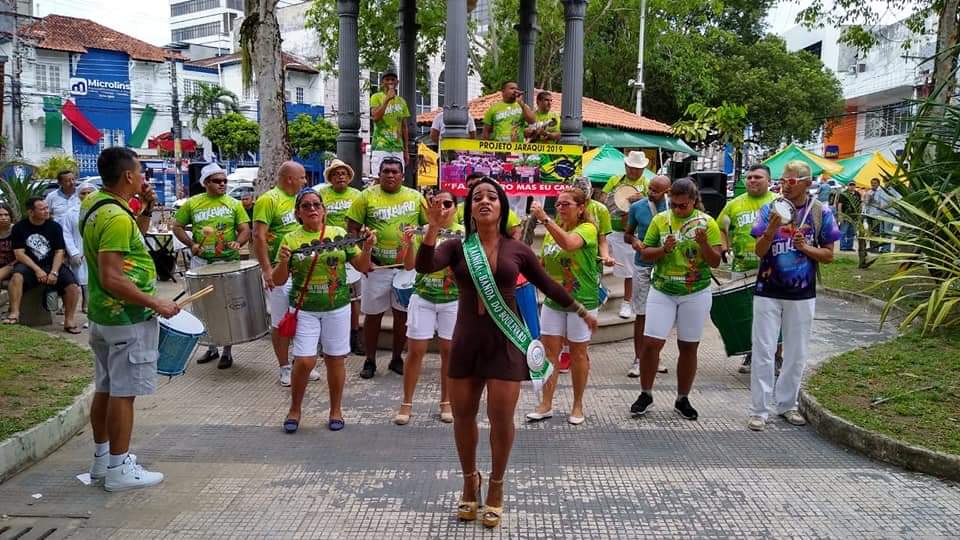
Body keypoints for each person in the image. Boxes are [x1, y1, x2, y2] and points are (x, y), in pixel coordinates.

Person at [415, 177, 597, 527]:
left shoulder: (518, 250)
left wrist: (581, 311)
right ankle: (470, 482)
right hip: (466, 343)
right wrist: (432, 230)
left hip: (505, 345)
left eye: (492, 197)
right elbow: (424, 266)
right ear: (470, 210)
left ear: (502, 207)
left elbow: (548, 284)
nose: (485, 201)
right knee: (464, 417)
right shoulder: (456, 247)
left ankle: (496, 486)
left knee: (501, 420)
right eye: (477, 197)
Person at [82, 146, 180, 491]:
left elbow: (133, 238)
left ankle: (102, 460)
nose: (143, 178)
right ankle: (119, 469)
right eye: (140, 172)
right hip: (125, 318)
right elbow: (112, 276)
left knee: (107, 387)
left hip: (101, 315)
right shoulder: (117, 218)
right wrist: (156, 303)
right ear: (127, 176)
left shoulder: (95, 205)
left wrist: (148, 206)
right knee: (124, 393)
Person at [748, 160, 840, 431]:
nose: (784, 186)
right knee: (763, 350)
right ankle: (759, 410)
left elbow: (829, 255)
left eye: (790, 181)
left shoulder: (821, 212)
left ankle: (787, 404)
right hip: (768, 289)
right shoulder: (770, 208)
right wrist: (771, 229)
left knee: (796, 352)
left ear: (806, 183)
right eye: (782, 180)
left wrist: (806, 248)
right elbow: (759, 251)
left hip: (802, 293)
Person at [273, 190, 376, 433]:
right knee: (305, 360)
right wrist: (284, 261)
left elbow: (362, 266)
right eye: (306, 206)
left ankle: (336, 409)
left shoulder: (338, 234)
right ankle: (295, 408)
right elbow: (278, 280)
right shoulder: (290, 239)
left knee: (335, 359)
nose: (312, 209)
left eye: (316, 204)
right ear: (298, 213)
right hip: (304, 308)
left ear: (324, 210)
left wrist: (369, 248)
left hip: (337, 307)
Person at [630, 178, 723, 421]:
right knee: (651, 343)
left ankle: (683, 398)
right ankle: (646, 393)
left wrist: (703, 244)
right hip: (663, 289)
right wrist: (664, 250)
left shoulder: (707, 223)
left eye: (683, 206)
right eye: (673, 205)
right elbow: (645, 254)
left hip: (695, 291)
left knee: (689, 345)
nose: (677, 209)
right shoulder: (661, 220)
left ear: (693, 201)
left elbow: (715, 261)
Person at [346, 156, 428, 379]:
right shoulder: (366, 196)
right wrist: (362, 258)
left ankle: (396, 359)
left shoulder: (415, 197)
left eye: (395, 171)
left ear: (402, 175)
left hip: (406, 269)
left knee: (403, 316)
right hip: (377, 268)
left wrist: (421, 254)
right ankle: (370, 360)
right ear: (379, 174)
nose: (390, 175)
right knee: (373, 316)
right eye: (386, 171)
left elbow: (429, 226)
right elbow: (351, 229)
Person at [525, 188, 600, 425]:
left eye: (566, 204)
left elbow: (568, 244)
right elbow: (545, 263)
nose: (560, 208)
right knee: (550, 353)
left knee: (578, 354)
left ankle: (577, 405)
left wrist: (545, 219)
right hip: (554, 301)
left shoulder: (587, 229)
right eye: (557, 204)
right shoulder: (551, 232)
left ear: (581, 208)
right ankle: (546, 403)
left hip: (582, 301)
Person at [393, 190, 464, 426]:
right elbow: (410, 265)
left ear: (455, 207)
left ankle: (446, 402)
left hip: (453, 299)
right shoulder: (421, 230)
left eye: (447, 203)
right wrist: (408, 245)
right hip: (423, 297)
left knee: (449, 352)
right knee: (415, 351)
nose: (442, 207)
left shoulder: (464, 234)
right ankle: (407, 402)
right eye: (437, 203)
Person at [173, 163, 251, 369]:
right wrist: (191, 244)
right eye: (217, 181)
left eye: (225, 181)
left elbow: (245, 229)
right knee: (205, 306)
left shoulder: (234, 204)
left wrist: (239, 242)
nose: (222, 184)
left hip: (227, 262)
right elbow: (177, 226)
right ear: (206, 182)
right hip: (202, 262)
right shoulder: (193, 203)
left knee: (227, 306)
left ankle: (227, 351)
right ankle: (211, 347)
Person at [717, 164, 778, 374]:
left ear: (769, 181)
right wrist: (724, 247)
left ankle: (777, 357)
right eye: (750, 177)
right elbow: (720, 229)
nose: (753, 181)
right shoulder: (733, 205)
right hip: (742, 267)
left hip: (773, 268)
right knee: (747, 313)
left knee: (774, 313)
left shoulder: (778, 203)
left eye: (758, 177)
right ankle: (751, 354)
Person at [253, 161, 309, 386]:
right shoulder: (269, 200)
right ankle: (284, 367)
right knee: (280, 321)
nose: (305, 181)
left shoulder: (299, 201)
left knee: (302, 318)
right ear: (289, 179)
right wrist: (267, 270)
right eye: (302, 177)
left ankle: (300, 363)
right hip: (279, 269)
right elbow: (258, 235)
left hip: (301, 269)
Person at [3, 197, 82, 331]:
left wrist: (54, 272)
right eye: (42, 209)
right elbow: (19, 254)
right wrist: (37, 270)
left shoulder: (54, 226)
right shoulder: (19, 227)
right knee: (17, 277)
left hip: (52, 264)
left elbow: (59, 252)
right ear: (31, 212)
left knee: (73, 286)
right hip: (29, 264)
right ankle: (14, 313)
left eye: (47, 208)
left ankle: (69, 320)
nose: (47, 211)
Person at [316, 159, 365, 355]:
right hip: (327, 251)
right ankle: (324, 340)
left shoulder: (358, 195)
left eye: (343, 173)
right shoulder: (321, 194)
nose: (340, 176)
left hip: (351, 250)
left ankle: (354, 337)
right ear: (330, 177)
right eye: (336, 174)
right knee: (328, 292)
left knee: (354, 297)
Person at [623, 175, 670, 378]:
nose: (651, 193)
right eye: (650, 188)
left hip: (666, 266)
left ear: (666, 192)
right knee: (641, 313)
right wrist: (634, 241)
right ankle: (638, 358)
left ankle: (655, 357)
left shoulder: (673, 208)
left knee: (661, 315)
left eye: (656, 190)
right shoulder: (638, 207)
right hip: (643, 265)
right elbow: (627, 233)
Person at [601, 151, 651, 319]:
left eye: (638, 169)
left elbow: (655, 207)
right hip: (610, 229)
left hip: (631, 233)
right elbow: (602, 201)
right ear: (626, 166)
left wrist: (641, 200)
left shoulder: (648, 184)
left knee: (629, 271)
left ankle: (627, 302)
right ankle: (599, 292)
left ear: (644, 169)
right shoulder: (615, 180)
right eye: (631, 168)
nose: (634, 171)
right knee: (598, 262)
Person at [482, 81, 537, 218]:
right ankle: (501, 212)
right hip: (498, 152)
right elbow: (486, 132)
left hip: (517, 152)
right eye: (512, 88)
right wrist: (486, 151)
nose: (515, 91)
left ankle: (519, 216)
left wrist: (522, 104)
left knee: (519, 182)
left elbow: (532, 120)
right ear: (503, 91)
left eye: (517, 88)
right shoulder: (494, 109)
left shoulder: (521, 106)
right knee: (500, 182)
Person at [61, 182, 98, 314]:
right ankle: (69, 305)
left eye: (89, 192)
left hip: (96, 252)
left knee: (92, 280)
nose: (87, 195)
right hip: (78, 252)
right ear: (78, 195)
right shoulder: (71, 213)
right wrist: (74, 252)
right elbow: (67, 234)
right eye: (83, 193)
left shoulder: (101, 210)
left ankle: (87, 304)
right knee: (77, 280)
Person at [370, 70, 410, 174]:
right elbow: (375, 117)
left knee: (397, 179)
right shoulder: (376, 97)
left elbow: (404, 127)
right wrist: (387, 99)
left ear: (397, 82)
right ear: (382, 82)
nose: (390, 82)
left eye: (393, 80)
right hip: (381, 146)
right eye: (387, 80)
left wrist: (406, 150)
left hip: (398, 148)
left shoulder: (402, 101)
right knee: (379, 179)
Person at [862, 177, 891, 253]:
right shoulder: (869, 192)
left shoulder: (882, 191)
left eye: (875, 183)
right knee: (871, 231)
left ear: (878, 184)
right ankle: (872, 248)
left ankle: (877, 248)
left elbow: (882, 203)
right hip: (870, 214)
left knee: (878, 232)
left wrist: (874, 200)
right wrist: (867, 199)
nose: (873, 185)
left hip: (878, 215)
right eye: (872, 183)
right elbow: (865, 203)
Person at [835, 182, 861, 252]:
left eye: (853, 185)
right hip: (845, 216)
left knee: (851, 232)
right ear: (848, 186)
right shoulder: (844, 194)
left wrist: (859, 215)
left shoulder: (857, 194)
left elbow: (859, 204)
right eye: (850, 185)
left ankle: (849, 246)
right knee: (843, 231)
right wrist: (840, 215)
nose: (852, 186)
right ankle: (843, 246)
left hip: (854, 216)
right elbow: (840, 205)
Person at [0, 203, 15, 285]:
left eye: (6, 215)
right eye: (0, 215)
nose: (3, 218)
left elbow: (23, 255)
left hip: (13, 265)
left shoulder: (16, 231)